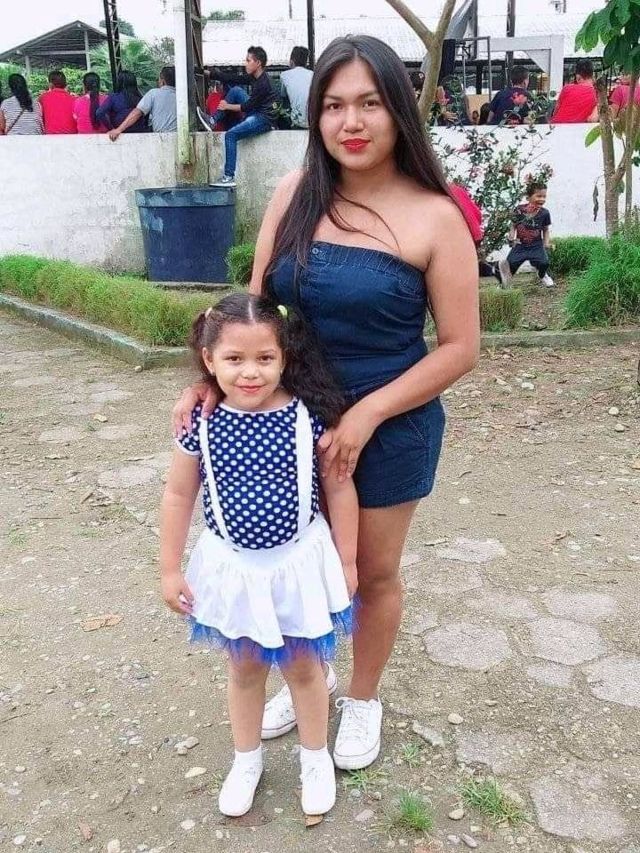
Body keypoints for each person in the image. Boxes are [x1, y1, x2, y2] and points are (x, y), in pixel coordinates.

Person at [173, 35, 479, 772]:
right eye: (334, 105)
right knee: (288, 557)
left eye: (370, 103)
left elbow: (459, 347)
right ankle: (308, 677)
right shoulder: (294, 194)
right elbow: (253, 310)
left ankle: (362, 697)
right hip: (287, 419)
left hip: (390, 423)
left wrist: (367, 414)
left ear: (398, 111)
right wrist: (209, 380)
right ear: (316, 117)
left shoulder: (435, 216)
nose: (352, 122)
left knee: (368, 571)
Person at [162, 293, 358, 817]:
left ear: (284, 357)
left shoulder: (307, 417)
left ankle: (314, 758)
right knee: (245, 668)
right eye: (234, 359)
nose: (250, 372)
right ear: (209, 360)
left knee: (303, 667)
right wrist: (168, 567)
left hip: (296, 565)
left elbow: (339, 488)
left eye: (264, 358)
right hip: (235, 569)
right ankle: (246, 760)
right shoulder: (200, 423)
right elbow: (179, 494)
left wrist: (347, 560)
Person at [197, 47, 279, 186]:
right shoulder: (255, 77)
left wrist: (227, 106)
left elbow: (247, 107)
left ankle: (229, 176)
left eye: (248, 60)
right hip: (257, 111)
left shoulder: (264, 84)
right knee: (235, 90)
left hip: (264, 119)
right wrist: (208, 73)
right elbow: (233, 78)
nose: (245, 63)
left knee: (231, 135)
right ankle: (212, 120)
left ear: (258, 63)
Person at [498, 181, 555, 288]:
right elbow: (513, 225)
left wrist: (546, 243)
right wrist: (511, 237)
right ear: (528, 197)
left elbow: (546, 229)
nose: (542, 199)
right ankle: (504, 284)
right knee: (511, 263)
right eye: (539, 196)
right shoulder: (519, 210)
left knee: (544, 263)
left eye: (544, 196)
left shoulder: (545, 213)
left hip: (536, 246)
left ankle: (542, 275)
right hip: (520, 245)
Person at [449, 183, 503, 285]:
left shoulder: (436, 193)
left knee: (458, 266)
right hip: (473, 232)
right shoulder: (456, 189)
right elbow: (477, 213)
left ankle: (494, 269)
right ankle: (495, 268)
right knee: (467, 263)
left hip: (459, 234)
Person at [108, 66, 177, 140]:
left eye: (159, 79)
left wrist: (118, 130)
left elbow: (138, 112)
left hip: (161, 138)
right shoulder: (181, 95)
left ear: (163, 81)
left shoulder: (154, 93)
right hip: (180, 135)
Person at [552, 58, 598, 124]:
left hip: (556, 126)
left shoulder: (567, 88)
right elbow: (592, 119)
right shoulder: (596, 95)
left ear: (578, 77)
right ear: (592, 75)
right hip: (578, 128)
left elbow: (556, 109)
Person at [280, 46, 314, 129]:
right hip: (314, 121)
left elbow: (282, 95)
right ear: (305, 63)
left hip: (298, 123)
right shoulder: (313, 74)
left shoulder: (284, 75)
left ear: (291, 61)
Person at [39, 70, 76, 134]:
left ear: (50, 84)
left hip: (50, 136)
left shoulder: (42, 98)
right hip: (72, 136)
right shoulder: (75, 99)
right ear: (65, 84)